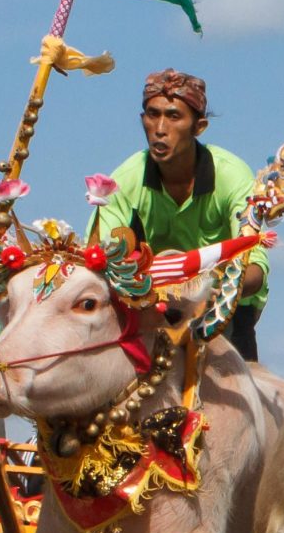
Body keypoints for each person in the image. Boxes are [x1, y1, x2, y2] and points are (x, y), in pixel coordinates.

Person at [88, 71, 271, 360]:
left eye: (174, 117)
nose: (160, 128)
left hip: (227, 305)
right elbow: (98, 260)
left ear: (199, 127)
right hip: (152, 307)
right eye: (152, 114)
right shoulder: (124, 180)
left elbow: (256, 272)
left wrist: (202, 289)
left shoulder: (232, 175)